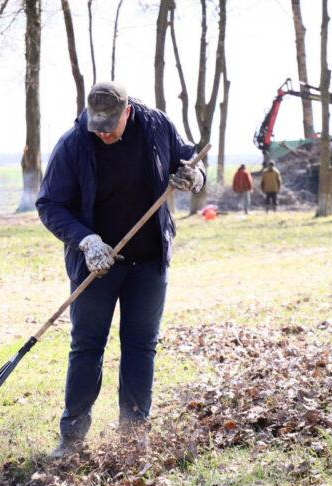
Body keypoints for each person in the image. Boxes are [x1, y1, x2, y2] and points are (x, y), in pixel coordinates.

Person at [35, 82, 205, 458]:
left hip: (148, 261)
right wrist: (86, 240)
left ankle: (133, 437)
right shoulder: (74, 144)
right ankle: (73, 438)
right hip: (96, 264)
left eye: (111, 125)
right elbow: (50, 205)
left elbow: (189, 159)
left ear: (128, 111)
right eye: (99, 126)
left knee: (140, 346)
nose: (105, 134)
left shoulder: (157, 126)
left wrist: (195, 177)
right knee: (86, 347)